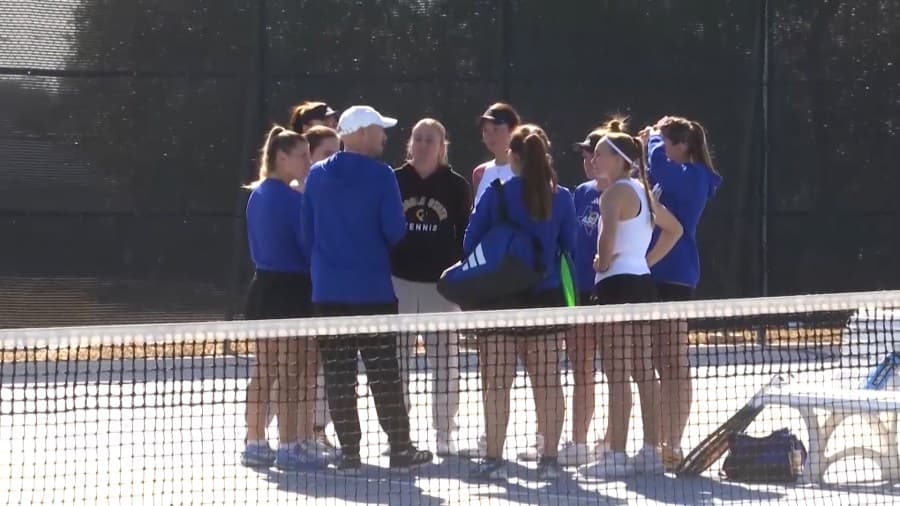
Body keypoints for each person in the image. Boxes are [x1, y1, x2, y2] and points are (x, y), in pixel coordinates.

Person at [302, 105, 433, 473]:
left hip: (327, 294)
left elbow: (306, 234)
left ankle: (349, 453)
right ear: (359, 133)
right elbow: (394, 231)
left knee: (339, 375)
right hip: (373, 293)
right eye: (378, 129)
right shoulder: (382, 177)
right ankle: (400, 448)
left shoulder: (315, 177)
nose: (384, 136)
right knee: (384, 374)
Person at [464, 124, 577, 482]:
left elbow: (470, 244)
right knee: (547, 381)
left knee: (495, 382)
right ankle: (550, 460)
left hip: (499, 300)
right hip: (546, 299)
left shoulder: (496, 194)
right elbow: (570, 247)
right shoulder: (563, 198)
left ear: (512, 157)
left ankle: (494, 458)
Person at [579, 126, 683, 479]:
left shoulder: (612, 195)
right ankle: (651, 452)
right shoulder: (642, 192)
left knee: (617, 373)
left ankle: (617, 455)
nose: (594, 158)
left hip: (617, 287)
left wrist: (602, 263)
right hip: (641, 285)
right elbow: (675, 229)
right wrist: (644, 262)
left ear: (620, 161)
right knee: (642, 372)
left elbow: (605, 245)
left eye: (602, 153)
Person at [240, 126, 327, 471]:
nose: (309, 161)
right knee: (291, 373)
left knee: (265, 371)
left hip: (265, 291)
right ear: (281, 158)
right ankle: (290, 446)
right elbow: (309, 247)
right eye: (303, 155)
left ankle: (256, 442)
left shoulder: (258, 194)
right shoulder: (292, 200)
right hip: (289, 293)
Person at [640, 116, 722, 471]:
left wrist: (652, 138)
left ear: (682, 146)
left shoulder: (694, 176)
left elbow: (657, 162)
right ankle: (655, 442)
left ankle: (672, 442)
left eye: (666, 142)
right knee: (654, 359)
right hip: (647, 272)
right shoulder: (662, 173)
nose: (660, 149)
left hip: (675, 275)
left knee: (674, 359)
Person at [391, 118, 471, 456]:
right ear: (410, 143)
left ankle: (444, 433)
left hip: (442, 286)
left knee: (445, 362)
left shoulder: (456, 185)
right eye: (418, 138)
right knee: (397, 361)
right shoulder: (393, 180)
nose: (423, 144)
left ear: (442, 147)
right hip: (399, 283)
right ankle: (399, 432)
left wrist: (458, 279)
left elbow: (465, 234)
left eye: (430, 140)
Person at [557, 126, 612, 467]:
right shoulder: (579, 193)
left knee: (616, 369)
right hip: (578, 293)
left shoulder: (629, 192)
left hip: (611, 292)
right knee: (581, 369)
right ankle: (578, 441)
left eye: (593, 154)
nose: (587, 160)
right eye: (584, 155)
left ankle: (609, 440)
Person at [471, 103, 521, 204]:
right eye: (485, 130)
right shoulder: (479, 173)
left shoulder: (527, 170)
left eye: (495, 129)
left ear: (513, 130)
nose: (490, 135)